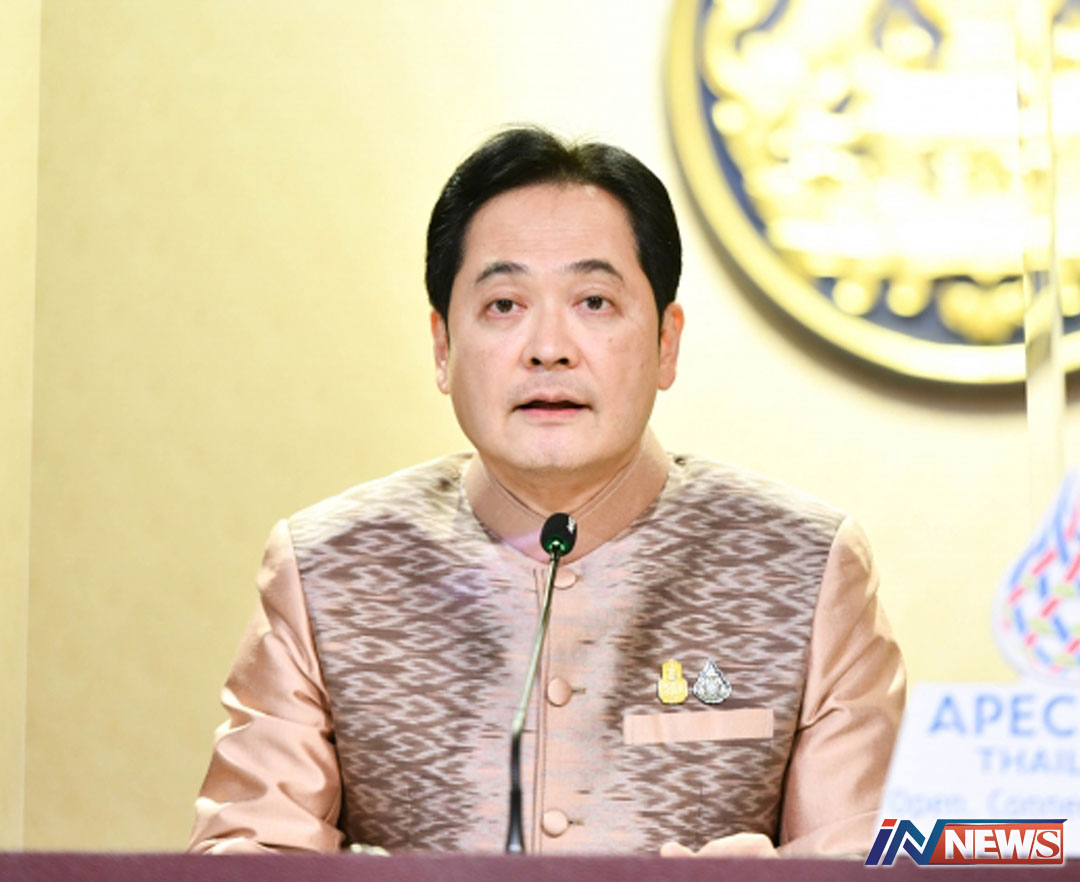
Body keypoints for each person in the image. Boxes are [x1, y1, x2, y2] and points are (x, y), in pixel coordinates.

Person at [187, 126, 905, 858]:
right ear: (442, 347)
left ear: (666, 342)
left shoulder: (805, 566)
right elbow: (248, 860)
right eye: (504, 305)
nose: (549, 348)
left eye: (594, 301)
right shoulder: (328, 568)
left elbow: (867, 861)